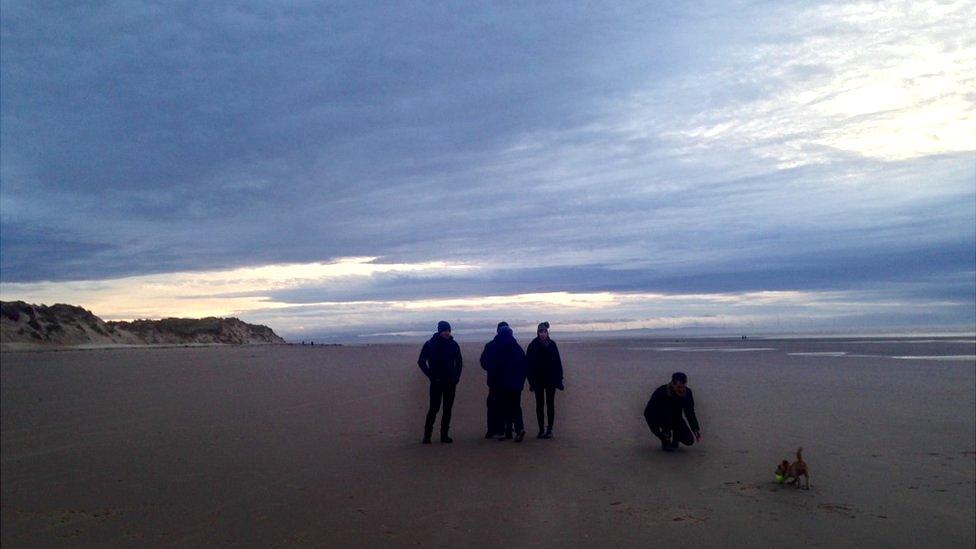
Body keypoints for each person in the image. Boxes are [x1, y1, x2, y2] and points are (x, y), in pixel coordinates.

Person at [479, 322, 527, 442]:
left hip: (500, 384)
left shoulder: (493, 346)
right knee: (515, 407)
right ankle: (517, 428)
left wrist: (493, 369)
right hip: (514, 384)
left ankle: (503, 431)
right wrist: (521, 380)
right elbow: (523, 365)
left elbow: (485, 361)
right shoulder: (516, 346)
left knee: (501, 407)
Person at [417, 320, 463, 444]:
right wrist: (430, 375)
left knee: (447, 409)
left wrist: (456, 377)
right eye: (444, 331)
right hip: (436, 382)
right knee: (434, 408)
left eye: (448, 330)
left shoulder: (453, 344)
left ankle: (444, 435)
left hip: (450, 382)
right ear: (440, 331)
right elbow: (421, 361)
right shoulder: (430, 344)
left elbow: (459, 362)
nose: (447, 333)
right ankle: (427, 435)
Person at [643, 372, 701, 451]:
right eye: (679, 387)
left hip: (676, 418)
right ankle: (666, 438)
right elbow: (648, 412)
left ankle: (674, 439)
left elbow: (690, 412)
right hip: (659, 417)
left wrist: (695, 429)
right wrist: (658, 433)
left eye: (684, 387)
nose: (682, 390)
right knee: (665, 429)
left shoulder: (687, 393)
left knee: (689, 441)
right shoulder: (661, 392)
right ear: (672, 384)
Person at [526, 321, 564, 439]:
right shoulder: (533, 345)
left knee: (550, 405)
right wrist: (531, 382)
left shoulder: (552, 344)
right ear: (537, 333)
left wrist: (559, 380)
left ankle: (550, 429)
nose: (543, 334)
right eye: (540, 331)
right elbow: (528, 365)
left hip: (551, 380)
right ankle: (541, 429)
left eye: (544, 331)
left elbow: (558, 363)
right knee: (539, 405)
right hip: (538, 380)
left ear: (547, 333)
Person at [480, 321, 507, 439]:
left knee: (505, 405)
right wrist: (491, 368)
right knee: (492, 405)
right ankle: (491, 429)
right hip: (493, 381)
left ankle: (504, 429)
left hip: (507, 381)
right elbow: (483, 360)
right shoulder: (490, 345)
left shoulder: (510, 345)